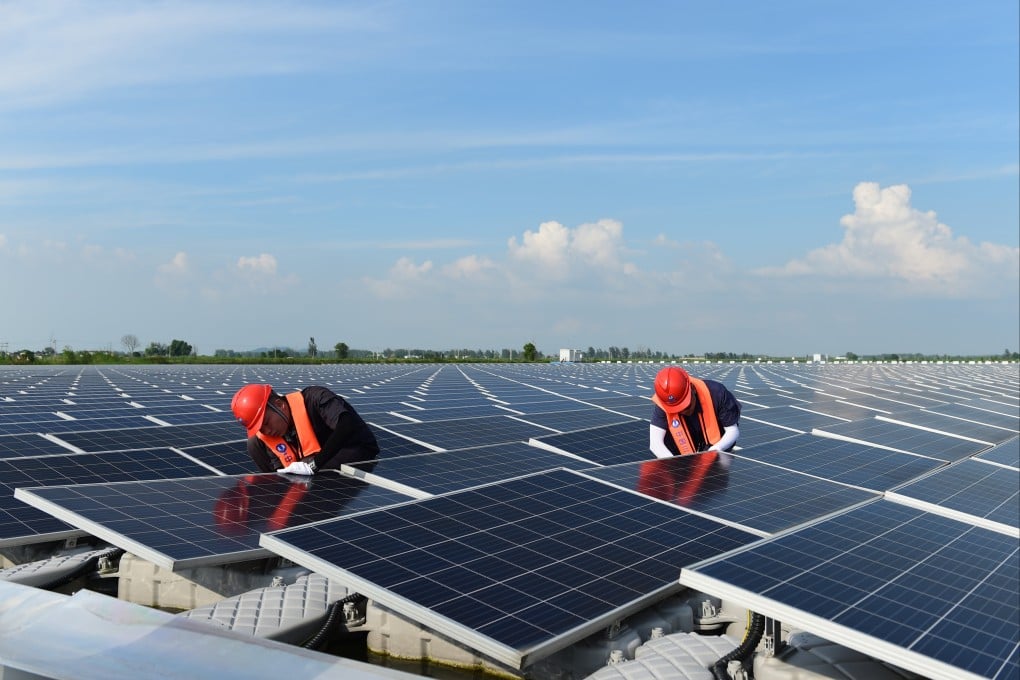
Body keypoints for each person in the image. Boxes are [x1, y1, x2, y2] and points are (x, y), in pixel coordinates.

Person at [231, 383, 379, 475]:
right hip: (309, 462)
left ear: (279, 405)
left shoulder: (316, 397)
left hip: (354, 448)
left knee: (314, 469)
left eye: (266, 422)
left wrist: (315, 464)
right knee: (254, 443)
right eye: (260, 428)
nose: (266, 430)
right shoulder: (268, 434)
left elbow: (347, 425)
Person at [648, 366, 741, 458]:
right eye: (677, 410)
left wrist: (716, 449)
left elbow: (732, 430)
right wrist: (673, 465)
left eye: (686, 406)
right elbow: (655, 444)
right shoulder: (664, 402)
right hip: (685, 438)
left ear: (692, 388)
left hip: (716, 442)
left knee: (717, 467)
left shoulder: (717, 393)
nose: (683, 411)